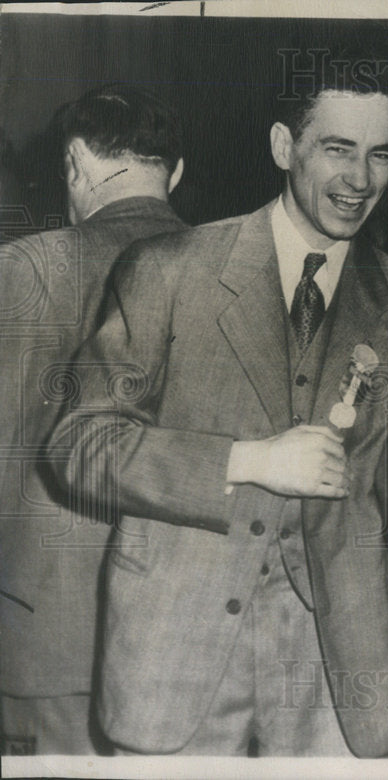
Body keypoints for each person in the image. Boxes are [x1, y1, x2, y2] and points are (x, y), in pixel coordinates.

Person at [47, 78, 388, 757]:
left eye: (380, 155)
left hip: (334, 663)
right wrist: (250, 460)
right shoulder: (168, 268)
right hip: (173, 651)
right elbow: (81, 447)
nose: (360, 178)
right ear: (282, 145)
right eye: (337, 149)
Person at [0, 84, 187, 755]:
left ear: (75, 163)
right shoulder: (238, 273)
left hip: (47, 633)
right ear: (176, 173)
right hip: (185, 638)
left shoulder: (21, 268)